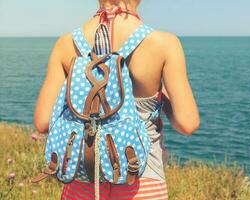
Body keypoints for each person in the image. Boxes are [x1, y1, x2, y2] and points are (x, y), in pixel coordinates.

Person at [33, 0, 200, 199]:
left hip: (83, 179)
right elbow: (187, 124)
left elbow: (43, 122)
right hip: (141, 180)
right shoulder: (163, 43)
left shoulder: (66, 43)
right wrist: (159, 96)